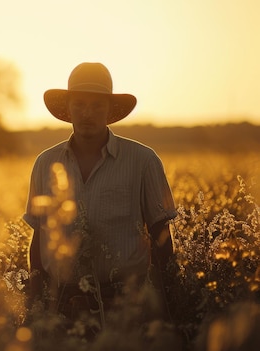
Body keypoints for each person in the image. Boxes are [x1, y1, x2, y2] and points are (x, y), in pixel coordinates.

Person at [23, 62, 178, 323]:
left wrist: (168, 305)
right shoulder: (45, 163)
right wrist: (36, 306)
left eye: (97, 105)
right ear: (68, 108)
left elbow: (161, 237)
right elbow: (39, 239)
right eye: (80, 104)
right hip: (62, 306)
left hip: (126, 305)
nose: (87, 113)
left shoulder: (143, 161)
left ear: (109, 110)